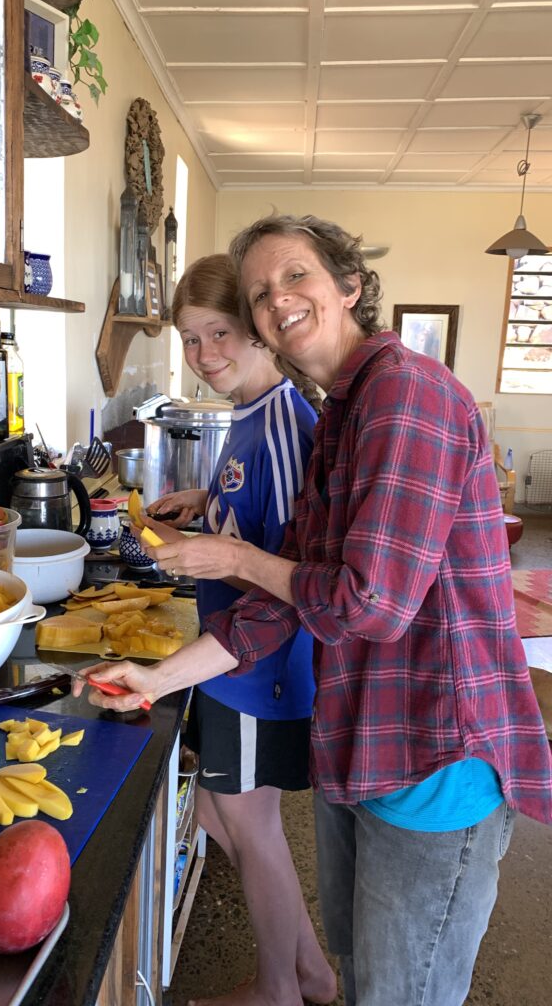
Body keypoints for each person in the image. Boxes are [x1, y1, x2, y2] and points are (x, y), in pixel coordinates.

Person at [75, 214, 552, 1006]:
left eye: (296, 276)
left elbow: (370, 602)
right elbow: (278, 606)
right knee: (365, 982)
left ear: (350, 285)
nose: (278, 300)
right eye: (262, 292)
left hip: (437, 764)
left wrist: (230, 558)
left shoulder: (405, 396)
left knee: (403, 992)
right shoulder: (340, 415)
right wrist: (156, 680)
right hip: (365, 748)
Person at [145, 253, 335, 1006]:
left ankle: (278, 989)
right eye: (191, 340)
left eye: (219, 332)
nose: (204, 355)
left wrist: (165, 676)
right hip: (231, 662)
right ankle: (311, 973)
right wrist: (205, 500)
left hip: (260, 669)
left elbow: (288, 572)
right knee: (225, 815)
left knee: (252, 830)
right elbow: (256, 514)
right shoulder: (253, 412)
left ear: (260, 330)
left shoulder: (286, 422)